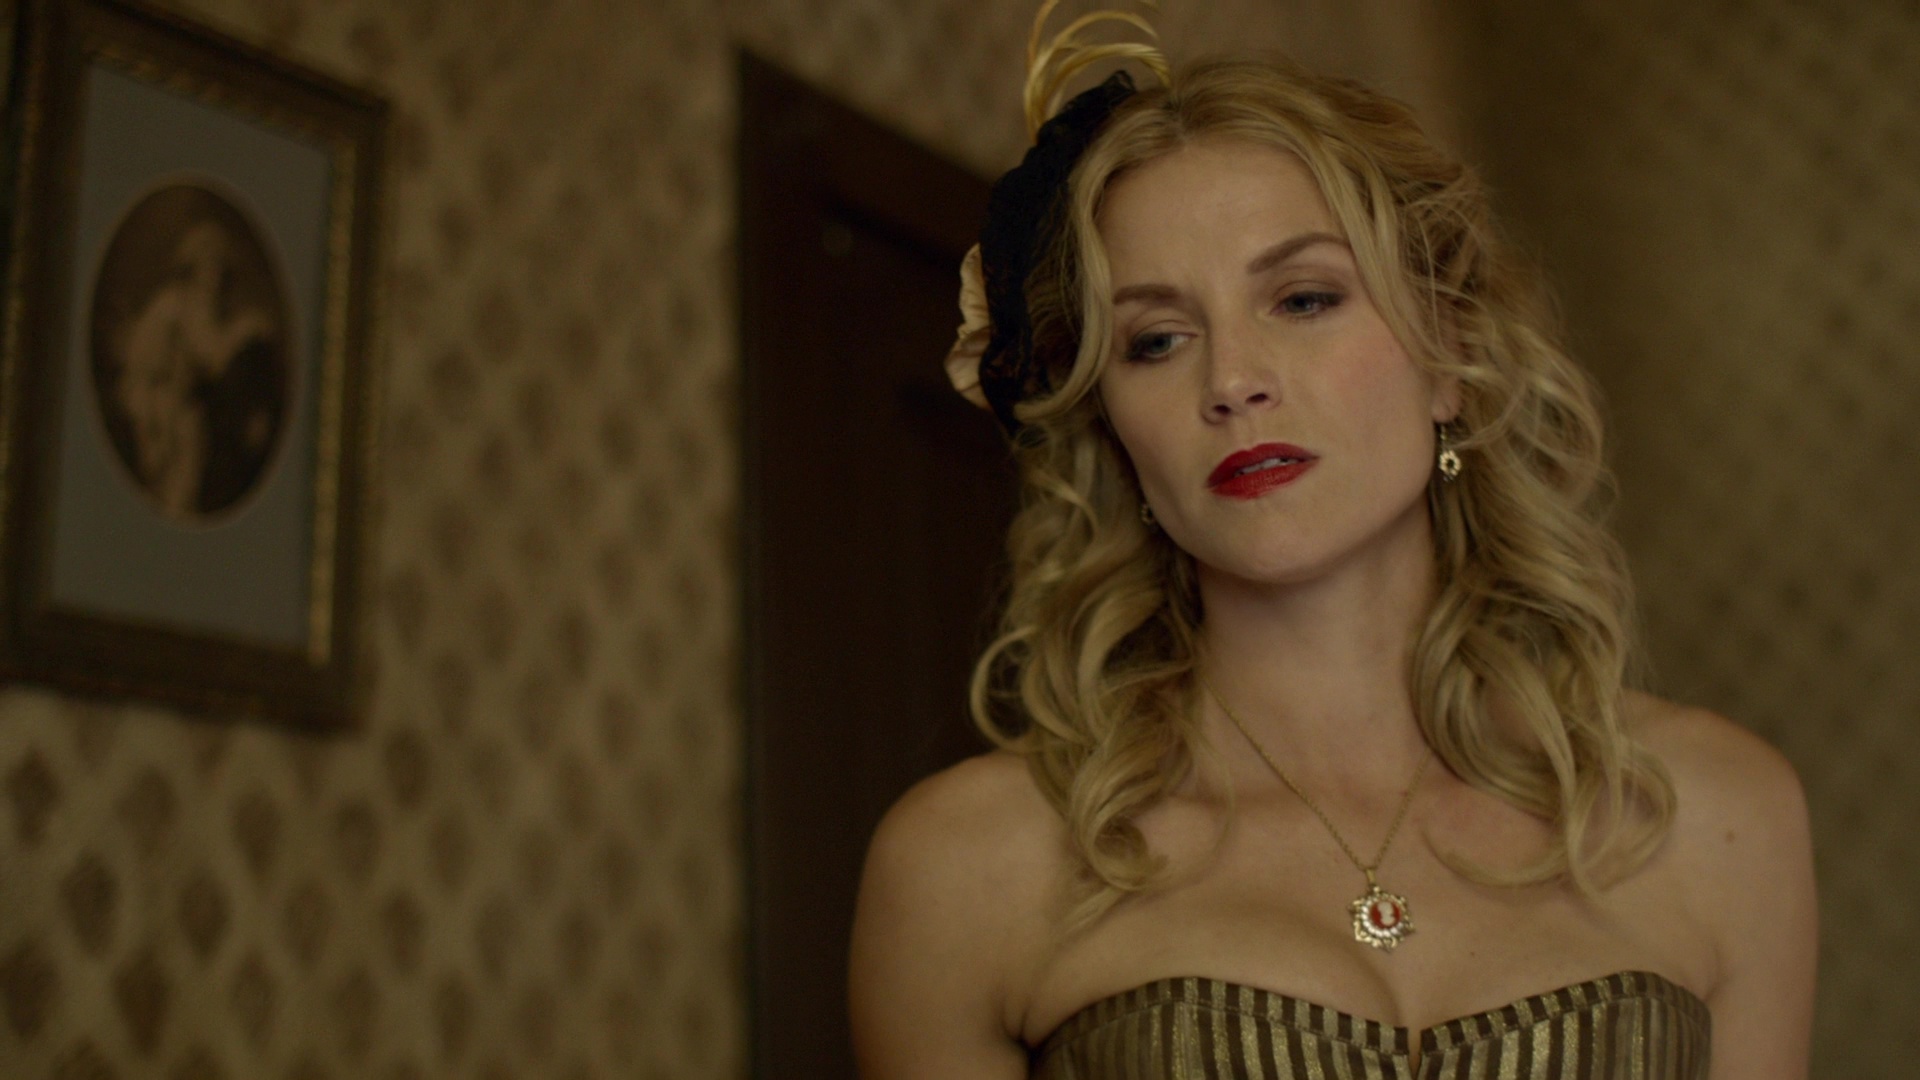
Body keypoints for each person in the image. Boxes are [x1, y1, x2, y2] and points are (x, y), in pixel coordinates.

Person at [848, 4, 1817, 1078]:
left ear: (1447, 353)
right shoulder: (972, 868)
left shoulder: (1714, 816)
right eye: (1156, 340)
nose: (1232, 380)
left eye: (1304, 298)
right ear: (1114, 432)